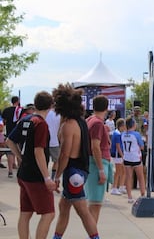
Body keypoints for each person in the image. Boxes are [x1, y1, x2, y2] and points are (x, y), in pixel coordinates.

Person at [6, 91, 57, 239]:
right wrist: (47, 177)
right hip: (36, 176)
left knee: (25, 213)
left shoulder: (25, 120)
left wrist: (20, 156)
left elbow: (10, 140)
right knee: (48, 214)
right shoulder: (41, 124)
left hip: (24, 173)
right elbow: (39, 151)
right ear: (50, 106)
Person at [52, 83, 100, 239]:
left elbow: (65, 154)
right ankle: (56, 237)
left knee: (83, 211)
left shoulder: (68, 125)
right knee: (64, 206)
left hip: (72, 172)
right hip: (80, 170)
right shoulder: (81, 122)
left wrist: (57, 176)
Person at [85, 95, 112, 223]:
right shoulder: (97, 123)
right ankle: (92, 234)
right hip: (97, 165)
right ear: (106, 108)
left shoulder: (90, 120)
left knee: (94, 204)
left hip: (93, 164)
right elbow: (95, 147)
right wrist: (101, 170)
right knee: (95, 204)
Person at [121, 117, 145, 203]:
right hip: (135, 158)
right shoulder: (136, 134)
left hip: (127, 157)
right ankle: (142, 194)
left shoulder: (123, 134)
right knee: (140, 177)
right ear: (133, 125)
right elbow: (142, 146)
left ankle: (129, 196)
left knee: (128, 177)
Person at [2, 96, 22, 177]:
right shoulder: (20, 110)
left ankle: (10, 171)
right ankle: (20, 171)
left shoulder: (6, 110)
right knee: (19, 152)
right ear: (18, 101)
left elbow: (3, 121)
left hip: (9, 133)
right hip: (19, 133)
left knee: (10, 152)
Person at [110, 118, 126, 195]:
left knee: (123, 170)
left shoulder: (118, 133)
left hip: (119, 154)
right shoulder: (117, 134)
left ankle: (121, 186)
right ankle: (114, 187)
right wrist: (122, 155)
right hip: (117, 154)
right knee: (118, 171)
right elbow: (118, 146)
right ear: (121, 126)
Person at [46, 108, 61, 180]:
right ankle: (53, 177)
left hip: (44, 141)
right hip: (55, 141)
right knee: (56, 161)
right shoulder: (59, 115)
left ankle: (44, 176)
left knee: (44, 160)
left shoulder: (45, 114)